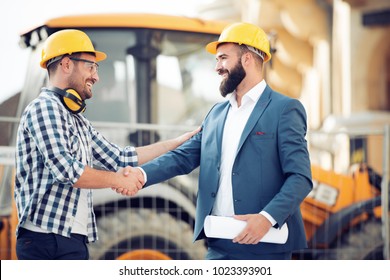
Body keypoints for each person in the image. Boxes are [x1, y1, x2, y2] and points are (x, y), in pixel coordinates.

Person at [119, 22, 313, 260]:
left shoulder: (284, 109)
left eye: (223, 58)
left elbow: (300, 177)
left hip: (265, 245)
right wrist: (141, 174)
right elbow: (183, 157)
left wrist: (267, 218)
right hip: (219, 246)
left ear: (248, 59)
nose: (217, 67)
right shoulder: (216, 113)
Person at [14, 29, 198, 260]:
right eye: (90, 66)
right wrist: (119, 180)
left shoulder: (77, 120)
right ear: (67, 64)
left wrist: (177, 142)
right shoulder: (45, 108)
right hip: (47, 239)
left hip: (72, 238)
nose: (96, 76)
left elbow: (121, 158)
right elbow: (67, 170)